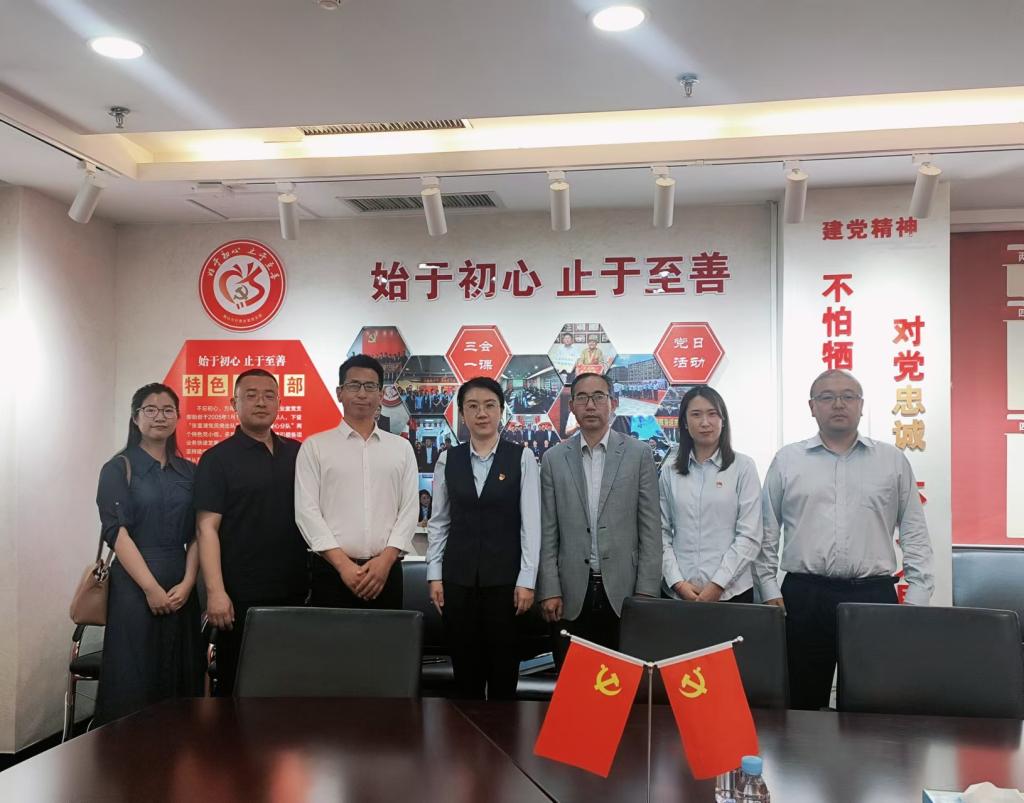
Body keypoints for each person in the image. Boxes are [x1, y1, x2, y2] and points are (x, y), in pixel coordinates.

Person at [754, 368, 934, 710]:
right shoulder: (788, 460)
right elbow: (766, 530)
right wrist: (768, 588)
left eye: (848, 396)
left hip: (873, 597)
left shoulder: (892, 461)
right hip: (804, 596)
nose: (838, 404)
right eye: (827, 397)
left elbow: (914, 531)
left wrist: (918, 597)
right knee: (801, 706)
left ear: (861, 405)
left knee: (873, 705)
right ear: (812, 407)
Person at [94, 383, 204, 724]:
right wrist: (150, 588)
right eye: (151, 410)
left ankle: (181, 749)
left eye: (168, 410)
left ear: (178, 417)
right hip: (133, 585)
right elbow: (116, 533)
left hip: (181, 583)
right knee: (134, 674)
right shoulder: (118, 468)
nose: (160, 416)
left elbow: (199, 533)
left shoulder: (190, 471)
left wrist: (189, 583)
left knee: (182, 671)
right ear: (135, 417)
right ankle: (129, 752)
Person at [195, 369, 309, 696]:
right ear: (234, 403)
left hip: (295, 592)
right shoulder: (217, 459)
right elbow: (206, 528)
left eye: (269, 395)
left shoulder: (298, 453)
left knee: (290, 685)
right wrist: (215, 592)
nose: (261, 402)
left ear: (279, 402)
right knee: (240, 687)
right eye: (251, 395)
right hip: (240, 596)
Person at [426, 377, 541, 699]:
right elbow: (439, 522)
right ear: (462, 414)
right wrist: (434, 575)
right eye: (473, 406)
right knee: (466, 675)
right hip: (457, 581)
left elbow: (531, 524)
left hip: (506, 583)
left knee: (503, 673)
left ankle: (503, 732)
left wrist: (527, 580)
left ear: (501, 411)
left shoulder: (521, 457)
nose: (481, 413)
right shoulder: (449, 459)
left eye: (490, 405)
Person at [537, 372, 661, 664]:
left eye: (598, 397)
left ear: (613, 403)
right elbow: (548, 530)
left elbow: (650, 528)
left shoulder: (638, 454)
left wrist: (646, 591)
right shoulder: (554, 459)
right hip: (570, 594)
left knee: (622, 683)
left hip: (625, 592)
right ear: (572, 407)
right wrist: (550, 589)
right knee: (573, 682)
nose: (590, 405)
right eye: (582, 398)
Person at [295, 354, 418, 610]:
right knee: (331, 637)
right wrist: (343, 566)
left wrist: (385, 561)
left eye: (370, 386)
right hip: (330, 572)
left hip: (385, 573)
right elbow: (307, 512)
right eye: (354, 385)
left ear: (381, 394)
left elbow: (409, 509)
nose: (362, 393)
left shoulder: (401, 448)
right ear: (340, 393)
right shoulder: (315, 447)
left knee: (387, 637)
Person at [661, 386, 763, 604]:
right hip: (679, 594)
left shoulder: (743, 467)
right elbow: (660, 533)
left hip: (731, 594)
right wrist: (677, 582)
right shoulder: (670, 472)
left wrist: (717, 585)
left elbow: (750, 535)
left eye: (712, 413)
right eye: (696, 414)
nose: (705, 422)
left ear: (723, 420)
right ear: (685, 422)